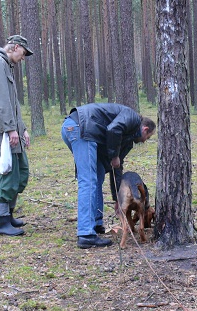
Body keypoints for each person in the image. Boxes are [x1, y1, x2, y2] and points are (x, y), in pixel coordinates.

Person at [61, 103, 156, 248]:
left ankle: (96, 223)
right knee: (88, 180)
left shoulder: (127, 140)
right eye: (147, 137)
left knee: (97, 177)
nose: (144, 141)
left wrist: (117, 198)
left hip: (84, 131)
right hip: (80, 127)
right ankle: (86, 234)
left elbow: (116, 168)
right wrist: (114, 155)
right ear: (145, 129)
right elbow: (113, 129)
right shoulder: (132, 118)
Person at [0, 35, 33, 236]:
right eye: (23, 53)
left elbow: (13, 104)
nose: (23, 58)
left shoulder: (6, 65)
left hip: (11, 131)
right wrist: (10, 129)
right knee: (7, 176)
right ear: (15, 47)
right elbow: (0, 101)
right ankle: (2, 223)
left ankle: (8, 215)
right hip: (2, 136)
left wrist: (22, 129)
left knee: (20, 172)